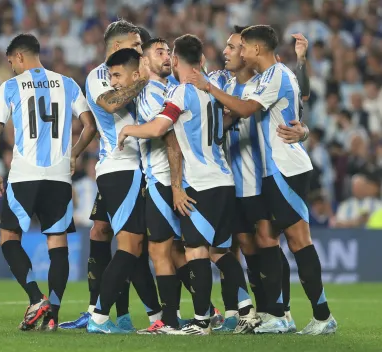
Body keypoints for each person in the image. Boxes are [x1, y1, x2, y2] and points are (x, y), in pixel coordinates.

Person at [186, 25, 337, 335]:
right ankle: (271, 312)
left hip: (273, 172)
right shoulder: (230, 79)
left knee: (287, 241)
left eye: (236, 47)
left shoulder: (268, 78)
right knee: (257, 244)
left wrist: (304, 129)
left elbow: (283, 102)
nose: (231, 52)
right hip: (247, 176)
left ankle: (309, 315)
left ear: (252, 50)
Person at [118, 34, 260, 336]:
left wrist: (128, 129)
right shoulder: (212, 91)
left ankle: (200, 321)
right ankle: (248, 310)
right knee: (220, 252)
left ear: (177, 60)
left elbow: (159, 127)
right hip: (225, 180)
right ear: (202, 61)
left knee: (196, 251)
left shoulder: (181, 92)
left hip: (201, 183)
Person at [0, 34, 96, 332]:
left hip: (24, 175)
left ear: (19, 57)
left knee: (8, 238)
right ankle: (54, 316)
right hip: (59, 177)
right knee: (57, 243)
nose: (11, 68)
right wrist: (73, 155)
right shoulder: (67, 83)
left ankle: (36, 298)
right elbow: (90, 125)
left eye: (11, 62)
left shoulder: (11, 87)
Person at [84, 21, 162, 334]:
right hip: (120, 167)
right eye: (136, 45)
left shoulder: (133, 72)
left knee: (137, 246)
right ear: (118, 46)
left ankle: (157, 315)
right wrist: (142, 80)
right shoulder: (100, 76)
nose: (141, 50)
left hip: (135, 168)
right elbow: (112, 103)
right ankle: (99, 317)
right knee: (130, 245)